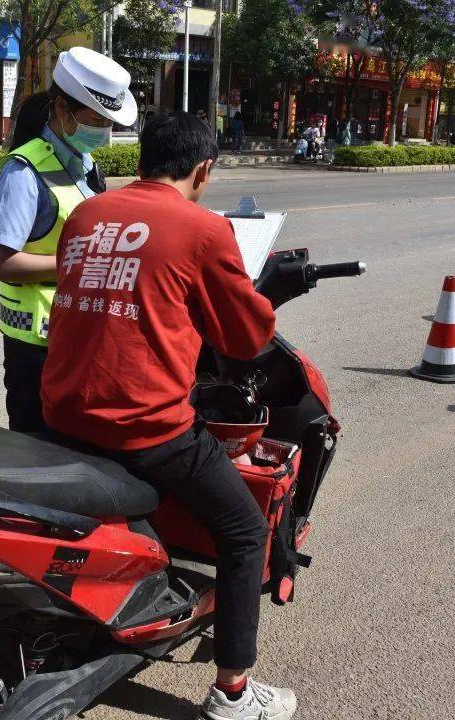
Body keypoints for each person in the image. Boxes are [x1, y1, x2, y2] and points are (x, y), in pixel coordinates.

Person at [41, 111, 295, 720]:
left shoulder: (88, 213)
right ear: (203, 170)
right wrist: (259, 297)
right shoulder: (204, 229)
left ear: (139, 159)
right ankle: (233, 693)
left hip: (60, 413)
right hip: (142, 426)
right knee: (243, 530)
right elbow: (244, 337)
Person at [0, 47, 136, 432]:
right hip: (35, 344)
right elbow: (1, 263)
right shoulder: (23, 171)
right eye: (95, 120)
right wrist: (77, 266)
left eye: (109, 122)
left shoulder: (88, 167)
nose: (104, 131)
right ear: (61, 109)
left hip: (79, 330)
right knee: (36, 453)